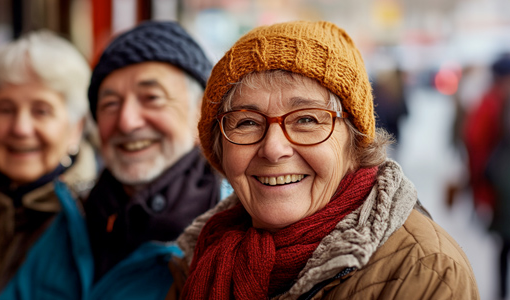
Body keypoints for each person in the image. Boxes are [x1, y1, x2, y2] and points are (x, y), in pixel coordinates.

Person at [173, 20, 479, 299]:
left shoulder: (424, 271)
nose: (273, 148)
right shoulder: (203, 252)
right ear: (219, 148)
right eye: (247, 122)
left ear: (354, 142)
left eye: (306, 120)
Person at [0, 21, 224, 300]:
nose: (126, 122)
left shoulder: (230, 233)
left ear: (201, 115)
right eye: (110, 104)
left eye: (151, 98)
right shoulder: (74, 218)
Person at [0, 30, 97, 300]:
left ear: (76, 128)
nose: (20, 128)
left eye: (41, 111)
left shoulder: (98, 218)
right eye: (5, 109)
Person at [465, 53, 510, 299]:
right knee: (503, 246)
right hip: (500, 191)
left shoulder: (490, 103)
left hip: (499, 188)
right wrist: (480, 192)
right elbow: (476, 147)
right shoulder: (489, 105)